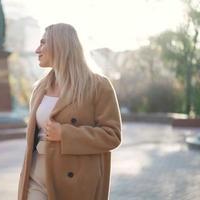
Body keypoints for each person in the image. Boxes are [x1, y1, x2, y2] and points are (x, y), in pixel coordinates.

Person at [18, 23, 122, 200]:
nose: (37, 49)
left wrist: (65, 134)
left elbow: (112, 135)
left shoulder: (98, 86)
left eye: (43, 43)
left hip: (76, 183)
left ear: (60, 45)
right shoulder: (40, 88)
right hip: (35, 176)